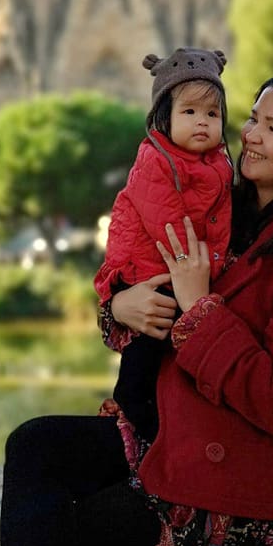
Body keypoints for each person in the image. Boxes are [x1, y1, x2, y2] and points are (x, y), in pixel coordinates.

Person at [0, 65, 273, 546]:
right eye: (252, 118)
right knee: (34, 446)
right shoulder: (216, 208)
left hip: (245, 473)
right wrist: (121, 303)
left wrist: (201, 306)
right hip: (174, 430)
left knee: (82, 528)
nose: (250, 135)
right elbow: (140, 265)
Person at [94, 47, 233, 443]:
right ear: (163, 118)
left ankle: (153, 423)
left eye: (213, 114)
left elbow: (218, 224)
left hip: (173, 274)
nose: (203, 123)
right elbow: (167, 221)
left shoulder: (219, 166)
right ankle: (133, 416)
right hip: (147, 268)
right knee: (145, 352)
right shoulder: (156, 159)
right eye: (189, 113)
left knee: (164, 347)